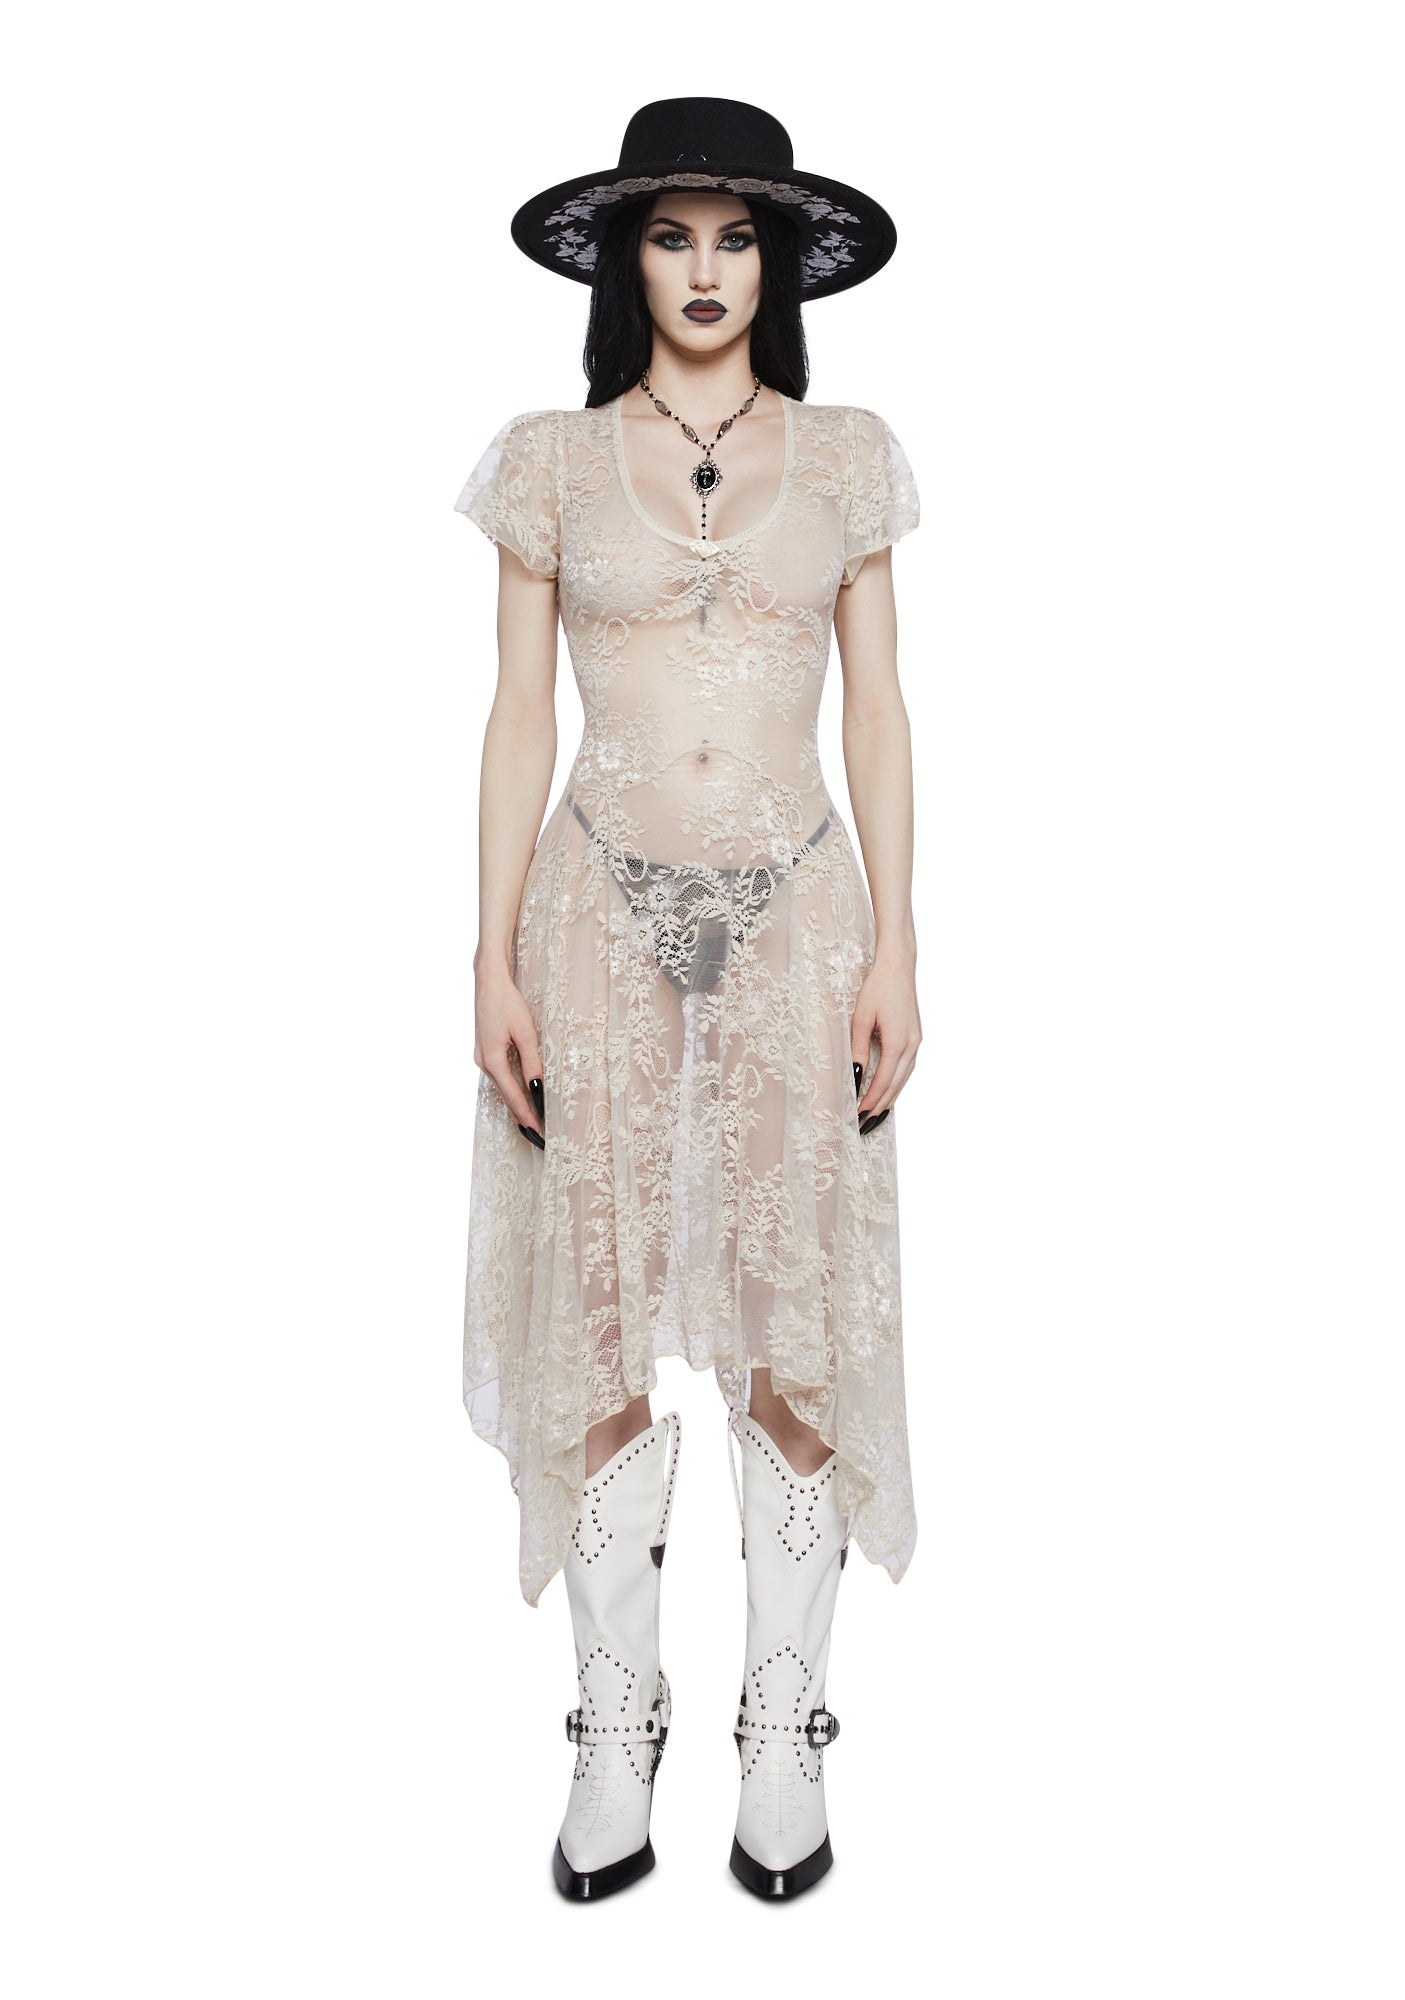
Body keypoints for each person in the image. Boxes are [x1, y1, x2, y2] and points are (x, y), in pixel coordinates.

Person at [453, 97, 923, 1900]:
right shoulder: (550, 463)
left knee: (792, 1298)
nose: (705, 270)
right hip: (595, 911)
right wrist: (485, 950)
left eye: (735, 239)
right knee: (592, 1301)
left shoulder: (850, 456)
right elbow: (517, 714)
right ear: (625, 261)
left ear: (776, 263)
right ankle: (611, 1720)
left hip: (800, 906)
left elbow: (879, 708)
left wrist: (898, 944)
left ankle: (785, 1720)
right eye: (673, 237)